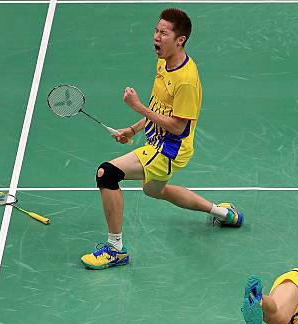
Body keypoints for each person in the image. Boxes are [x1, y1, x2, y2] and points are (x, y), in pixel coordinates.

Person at [81, 8, 243, 269]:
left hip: (170, 149)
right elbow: (159, 108)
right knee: (154, 190)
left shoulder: (186, 80)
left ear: (180, 40)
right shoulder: (163, 63)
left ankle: (115, 249)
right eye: (156, 30)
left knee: (106, 174)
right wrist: (133, 129)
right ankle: (224, 213)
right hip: (156, 143)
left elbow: (179, 127)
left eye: (163, 33)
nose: (156, 37)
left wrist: (138, 107)